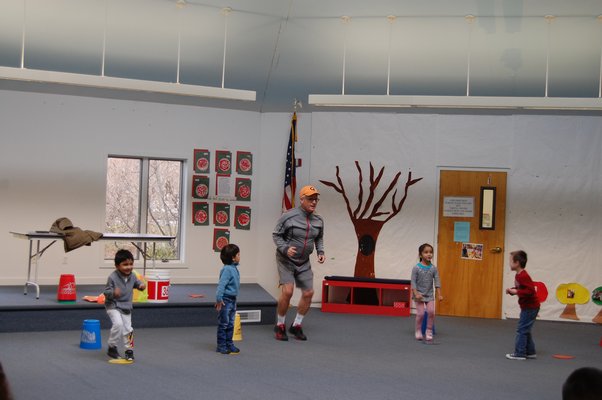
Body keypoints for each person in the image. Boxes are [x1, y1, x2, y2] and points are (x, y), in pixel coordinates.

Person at [272, 185, 325, 341]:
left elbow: (319, 238)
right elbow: (276, 235)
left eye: (315, 199)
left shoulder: (318, 220)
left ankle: (296, 326)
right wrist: (285, 248)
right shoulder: (288, 216)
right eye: (310, 199)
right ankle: (280, 325)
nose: (314, 202)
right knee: (288, 291)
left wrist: (320, 252)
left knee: (308, 293)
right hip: (286, 260)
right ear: (301, 199)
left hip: (303, 262)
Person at [104, 249, 146, 361]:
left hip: (126, 306)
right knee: (118, 324)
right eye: (125, 264)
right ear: (117, 266)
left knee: (128, 329)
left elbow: (136, 283)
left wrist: (141, 285)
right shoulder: (112, 277)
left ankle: (129, 350)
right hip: (113, 305)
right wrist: (113, 293)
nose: (129, 267)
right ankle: (112, 347)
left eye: (131, 264)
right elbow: (106, 292)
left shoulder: (132, 276)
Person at [505, 250, 540, 360]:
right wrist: (513, 290)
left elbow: (530, 291)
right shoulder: (519, 275)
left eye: (511, 261)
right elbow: (522, 289)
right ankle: (530, 352)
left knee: (521, 329)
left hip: (531, 307)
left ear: (517, 263)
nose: (509, 263)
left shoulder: (523, 276)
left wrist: (516, 292)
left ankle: (520, 353)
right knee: (525, 329)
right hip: (528, 307)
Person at [410, 243, 443, 342]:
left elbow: (437, 281)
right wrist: (416, 293)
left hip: (429, 295)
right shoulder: (416, 268)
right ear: (420, 255)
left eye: (431, 252)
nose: (429, 254)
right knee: (420, 314)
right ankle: (418, 331)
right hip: (419, 295)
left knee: (431, 312)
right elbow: (413, 282)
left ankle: (429, 331)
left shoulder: (433, 268)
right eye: (426, 252)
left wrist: (439, 294)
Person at [215, 243, 241, 355]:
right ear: (233, 257)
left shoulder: (234, 268)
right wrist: (219, 300)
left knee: (231, 324)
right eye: (238, 254)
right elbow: (221, 286)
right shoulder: (227, 270)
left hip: (232, 299)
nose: (240, 256)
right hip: (225, 300)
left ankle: (229, 344)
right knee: (224, 324)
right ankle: (221, 345)